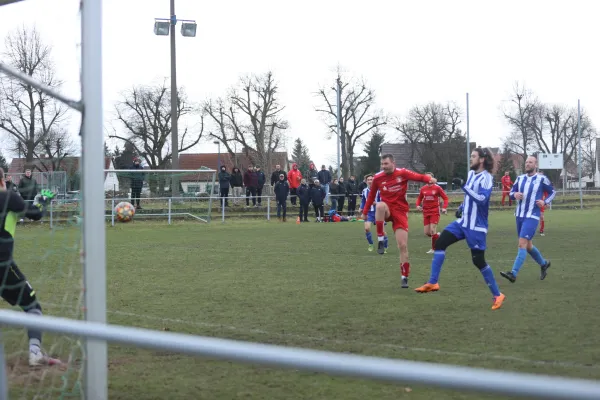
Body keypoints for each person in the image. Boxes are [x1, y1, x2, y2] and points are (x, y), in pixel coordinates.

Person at [415, 148, 506, 311]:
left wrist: (464, 186)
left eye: (473, 156)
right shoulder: (471, 174)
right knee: (440, 243)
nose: (470, 159)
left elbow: (482, 199)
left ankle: (498, 295)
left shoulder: (486, 178)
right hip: (463, 222)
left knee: (478, 261)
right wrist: (462, 207)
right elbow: (469, 197)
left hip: (476, 226)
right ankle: (433, 282)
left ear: (482, 160)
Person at [0, 168, 62, 366]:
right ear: (3, 181)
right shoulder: (8, 197)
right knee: (32, 306)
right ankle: (35, 353)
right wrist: (42, 200)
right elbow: (35, 214)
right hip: (2, 266)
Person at [361, 154, 436, 289]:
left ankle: (404, 276)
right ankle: (380, 240)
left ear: (393, 163)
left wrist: (430, 179)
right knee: (379, 205)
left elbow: (419, 177)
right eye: (382, 164)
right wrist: (365, 212)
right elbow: (371, 196)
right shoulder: (378, 178)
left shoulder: (402, 173)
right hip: (387, 209)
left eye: (386, 164)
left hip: (400, 212)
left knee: (402, 245)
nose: (383, 166)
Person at [499, 156, 555, 283]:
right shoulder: (520, 178)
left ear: (536, 164)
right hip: (519, 215)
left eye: (530, 162)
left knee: (522, 244)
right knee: (528, 246)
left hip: (532, 216)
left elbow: (552, 192)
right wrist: (515, 194)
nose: (528, 164)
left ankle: (513, 273)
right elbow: (511, 193)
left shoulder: (541, 179)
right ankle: (543, 264)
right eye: (526, 162)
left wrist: (545, 201)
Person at [416, 173, 449, 254]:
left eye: (429, 177)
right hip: (426, 211)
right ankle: (438, 236)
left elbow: (445, 198)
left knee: (432, 230)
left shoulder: (437, 188)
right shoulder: (423, 188)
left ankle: (434, 249)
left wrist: (444, 207)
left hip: (434, 211)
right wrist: (417, 205)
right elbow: (419, 198)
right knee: (427, 232)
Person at [360, 174, 388, 253]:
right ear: (366, 181)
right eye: (368, 180)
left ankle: (385, 246)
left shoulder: (379, 190)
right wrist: (361, 207)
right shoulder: (364, 191)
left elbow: (384, 201)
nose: (369, 181)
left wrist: (376, 203)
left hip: (379, 212)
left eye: (371, 179)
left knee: (382, 231)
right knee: (367, 228)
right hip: (369, 212)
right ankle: (371, 244)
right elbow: (363, 201)